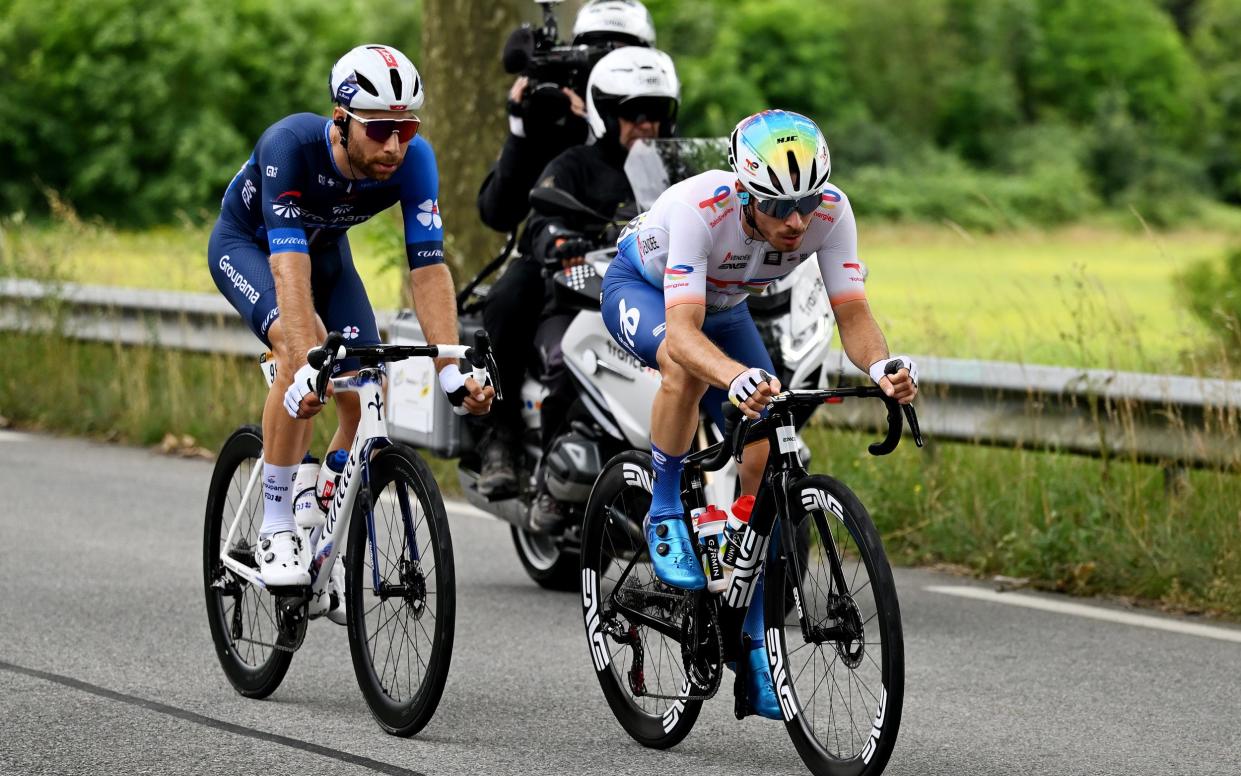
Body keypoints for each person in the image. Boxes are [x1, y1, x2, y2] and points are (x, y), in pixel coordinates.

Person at [599, 109, 919, 717]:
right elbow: (687, 334)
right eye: (777, 206)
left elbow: (852, 313)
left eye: (807, 201)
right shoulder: (702, 209)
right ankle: (665, 507)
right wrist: (735, 375)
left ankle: (748, 636)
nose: (796, 221)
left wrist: (880, 368)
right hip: (642, 292)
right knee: (684, 369)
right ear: (745, 191)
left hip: (724, 308)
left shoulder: (831, 213)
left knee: (766, 445)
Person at [208, 44, 494, 603]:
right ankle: (274, 523)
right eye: (380, 129)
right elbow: (288, 267)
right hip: (252, 248)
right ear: (340, 120)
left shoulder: (415, 161)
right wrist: (305, 360)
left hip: (329, 259)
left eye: (406, 128)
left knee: (366, 388)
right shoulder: (289, 146)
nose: (393, 146)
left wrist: (452, 366)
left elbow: (429, 267)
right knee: (302, 354)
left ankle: (319, 514)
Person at [483, 48, 680, 535]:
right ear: (606, 113)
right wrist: (556, 238)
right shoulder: (573, 163)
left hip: (664, 300)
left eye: (655, 114)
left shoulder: (678, 174)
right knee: (571, 363)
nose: (646, 125)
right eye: (633, 114)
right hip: (581, 300)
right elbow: (540, 220)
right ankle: (550, 475)